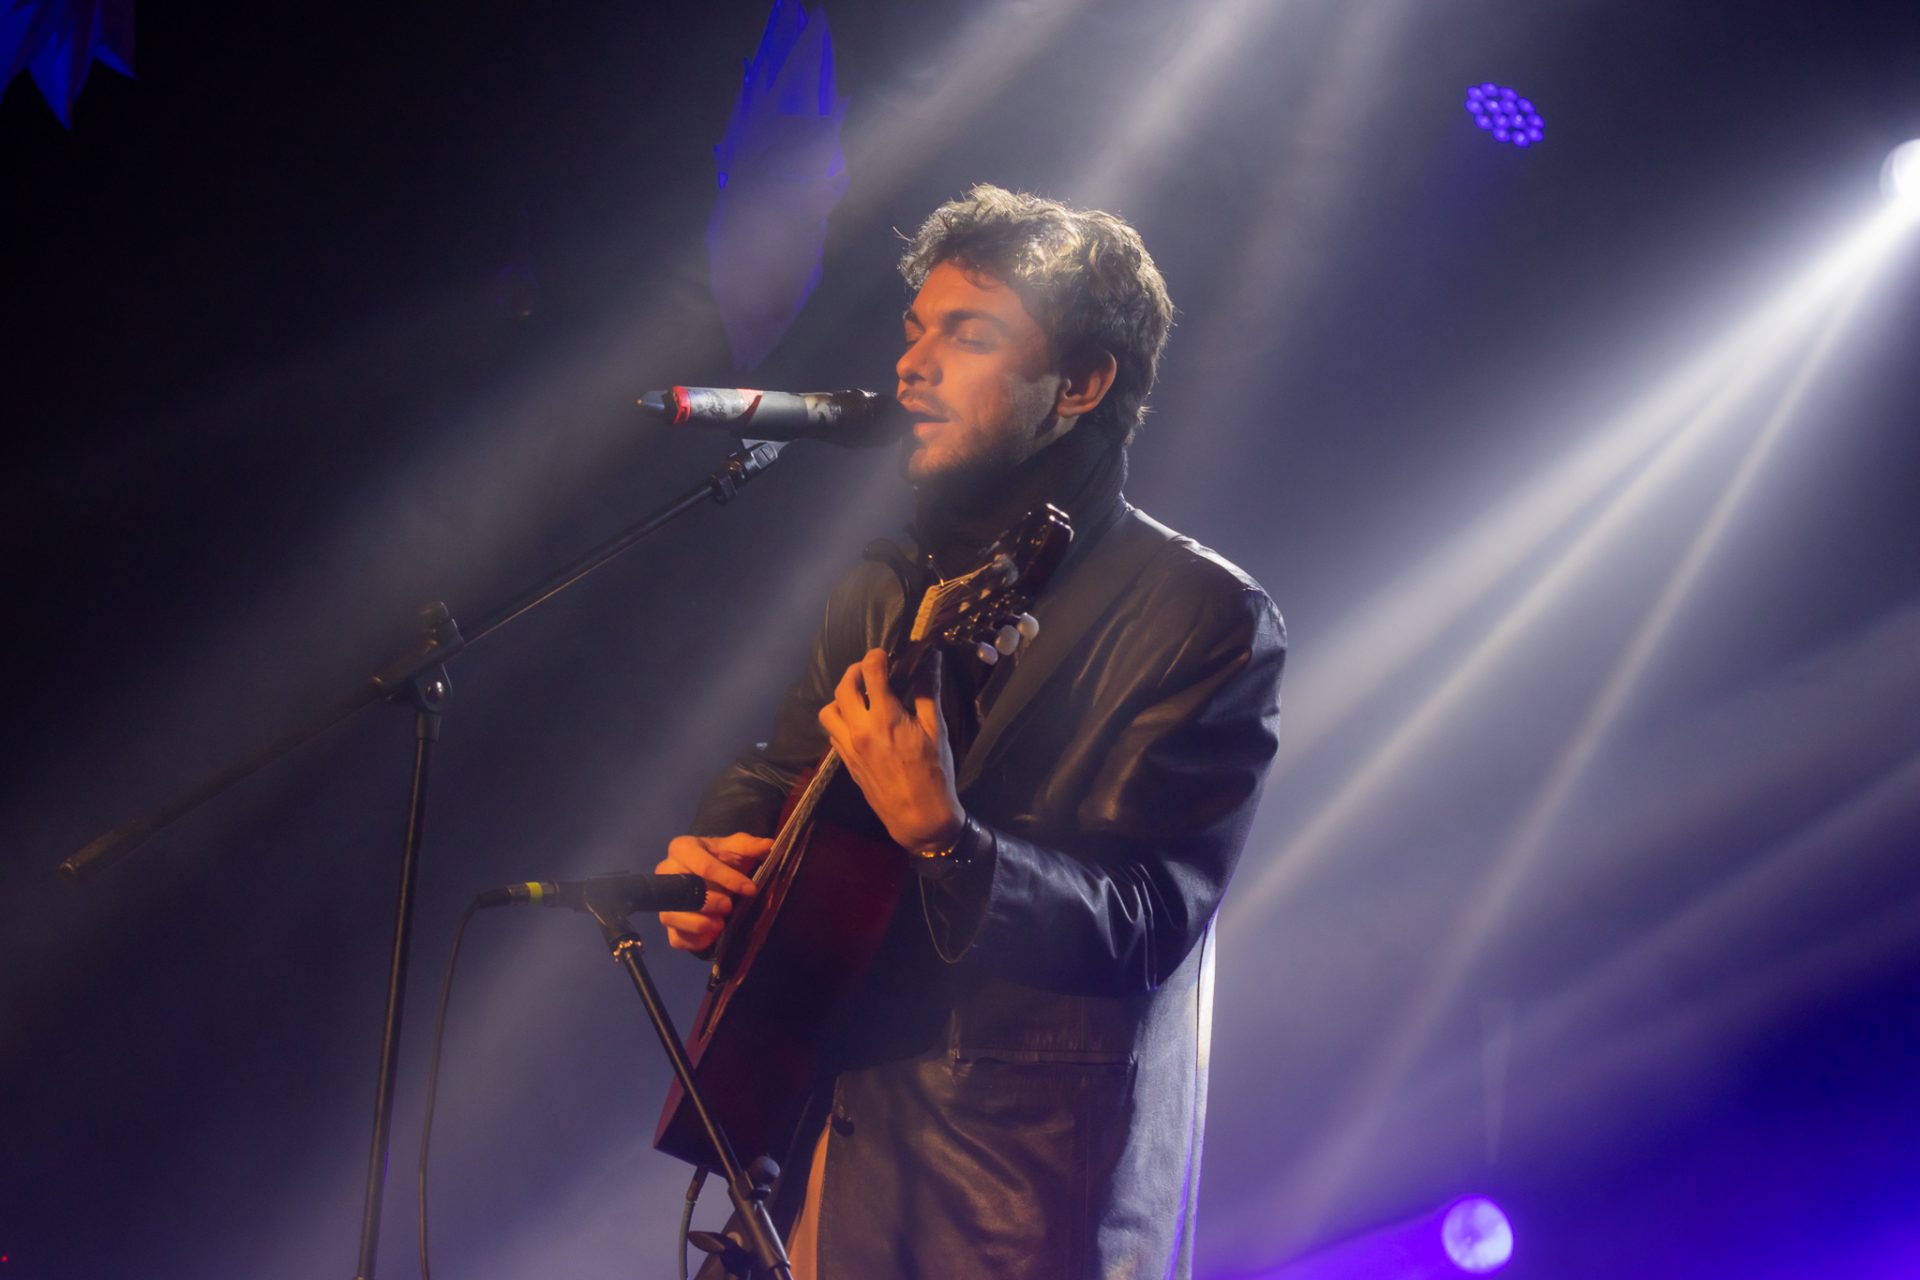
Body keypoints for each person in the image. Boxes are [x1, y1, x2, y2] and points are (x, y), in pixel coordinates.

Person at [657, 184, 1286, 1279]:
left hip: (1012, 1208)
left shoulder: (1202, 613)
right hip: (807, 1164)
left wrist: (950, 841)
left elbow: (1148, 918)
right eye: (915, 331)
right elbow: (782, 771)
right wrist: (718, 856)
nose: (912, 365)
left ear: (1080, 385)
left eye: (970, 334)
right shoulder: (885, 582)